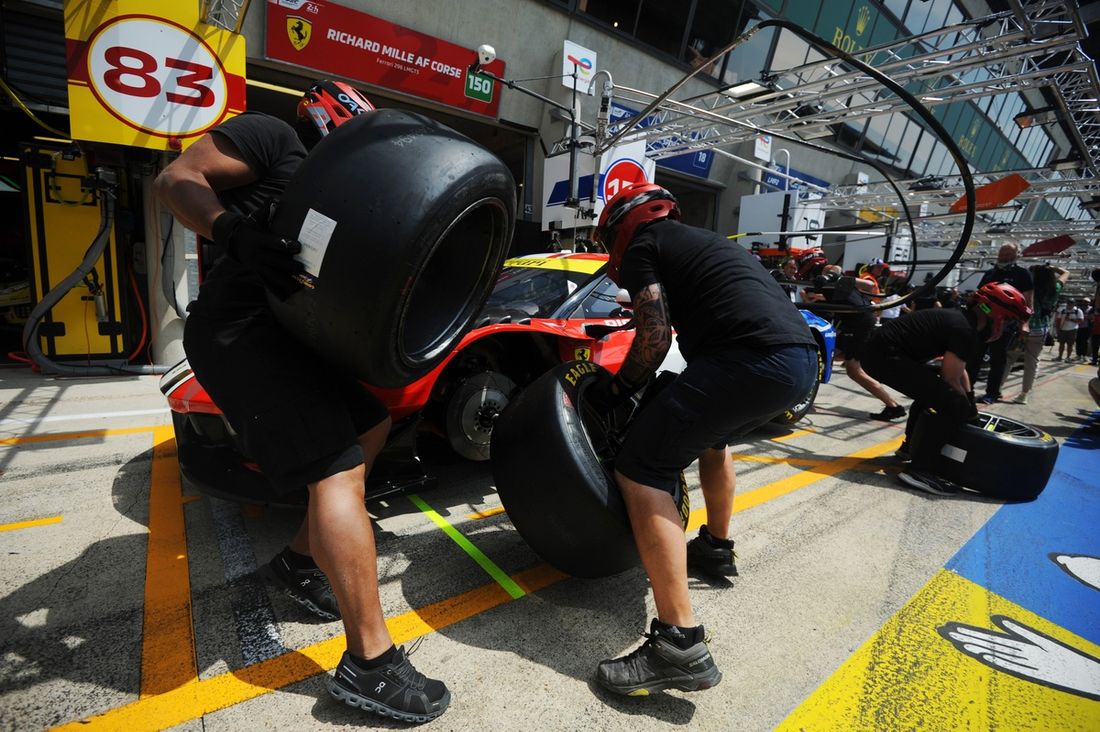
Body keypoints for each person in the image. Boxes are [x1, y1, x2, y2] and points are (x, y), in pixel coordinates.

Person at [153, 80, 450, 722]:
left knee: (369, 426)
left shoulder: (366, 197)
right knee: (336, 467)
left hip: (294, 339)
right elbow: (175, 180)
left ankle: (297, 560)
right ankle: (368, 667)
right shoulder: (274, 137)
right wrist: (232, 231)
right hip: (238, 332)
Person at [587, 183, 818, 696]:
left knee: (641, 468)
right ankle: (715, 547)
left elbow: (654, 335)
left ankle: (678, 643)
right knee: (713, 441)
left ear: (621, 228)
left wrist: (618, 389)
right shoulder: (706, 242)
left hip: (749, 360)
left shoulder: (645, 246)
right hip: (798, 362)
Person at [860, 281, 1032, 495]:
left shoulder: (964, 322)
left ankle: (909, 448)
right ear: (996, 314)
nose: (1006, 326)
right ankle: (920, 470)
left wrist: (970, 401)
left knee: (936, 394)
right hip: (884, 356)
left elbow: (960, 371)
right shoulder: (964, 329)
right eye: (1007, 320)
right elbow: (951, 378)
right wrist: (967, 410)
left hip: (882, 353)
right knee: (953, 404)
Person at [803, 266, 905, 421]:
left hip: (859, 323)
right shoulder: (828, 287)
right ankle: (804, 393)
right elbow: (810, 297)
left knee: (854, 370)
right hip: (851, 323)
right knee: (830, 355)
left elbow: (869, 286)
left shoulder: (842, 281)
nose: (823, 275)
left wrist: (836, 277)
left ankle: (893, 406)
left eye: (826, 272)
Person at [972, 244, 1033, 403]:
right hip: (984, 322)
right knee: (975, 357)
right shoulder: (990, 273)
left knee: (998, 360)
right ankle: (966, 389)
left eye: (1009, 253)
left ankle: (992, 393)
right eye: (1002, 252)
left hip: (1006, 324)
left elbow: (1027, 302)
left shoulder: (1023, 274)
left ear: (1017, 255)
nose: (1004, 256)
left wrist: (1024, 324)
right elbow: (980, 297)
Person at [1005, 264, 1068, 404]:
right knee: (1031, 363)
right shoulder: (1054, 289)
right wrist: (1052, 268)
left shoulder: (1027, 288)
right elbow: (1066, 272)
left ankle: (997, 388)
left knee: (1009, 360)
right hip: (1039, 332)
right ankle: (1024, 394)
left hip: (1021, 330)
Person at [1054, 297, 1083, 361]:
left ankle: (1068, 357)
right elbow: (1058, 319)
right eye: (1068, 303)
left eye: (1071, 303)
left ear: (1074, 304)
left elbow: (1080, 320)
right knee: (1061, 344)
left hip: (1072, 330)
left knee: (1070, 344)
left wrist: (1071, 319)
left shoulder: (1077, 311)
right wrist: (1058, 329)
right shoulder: (1063, 310)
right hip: (1063, 329)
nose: (1069, 304)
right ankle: (1060, 357)